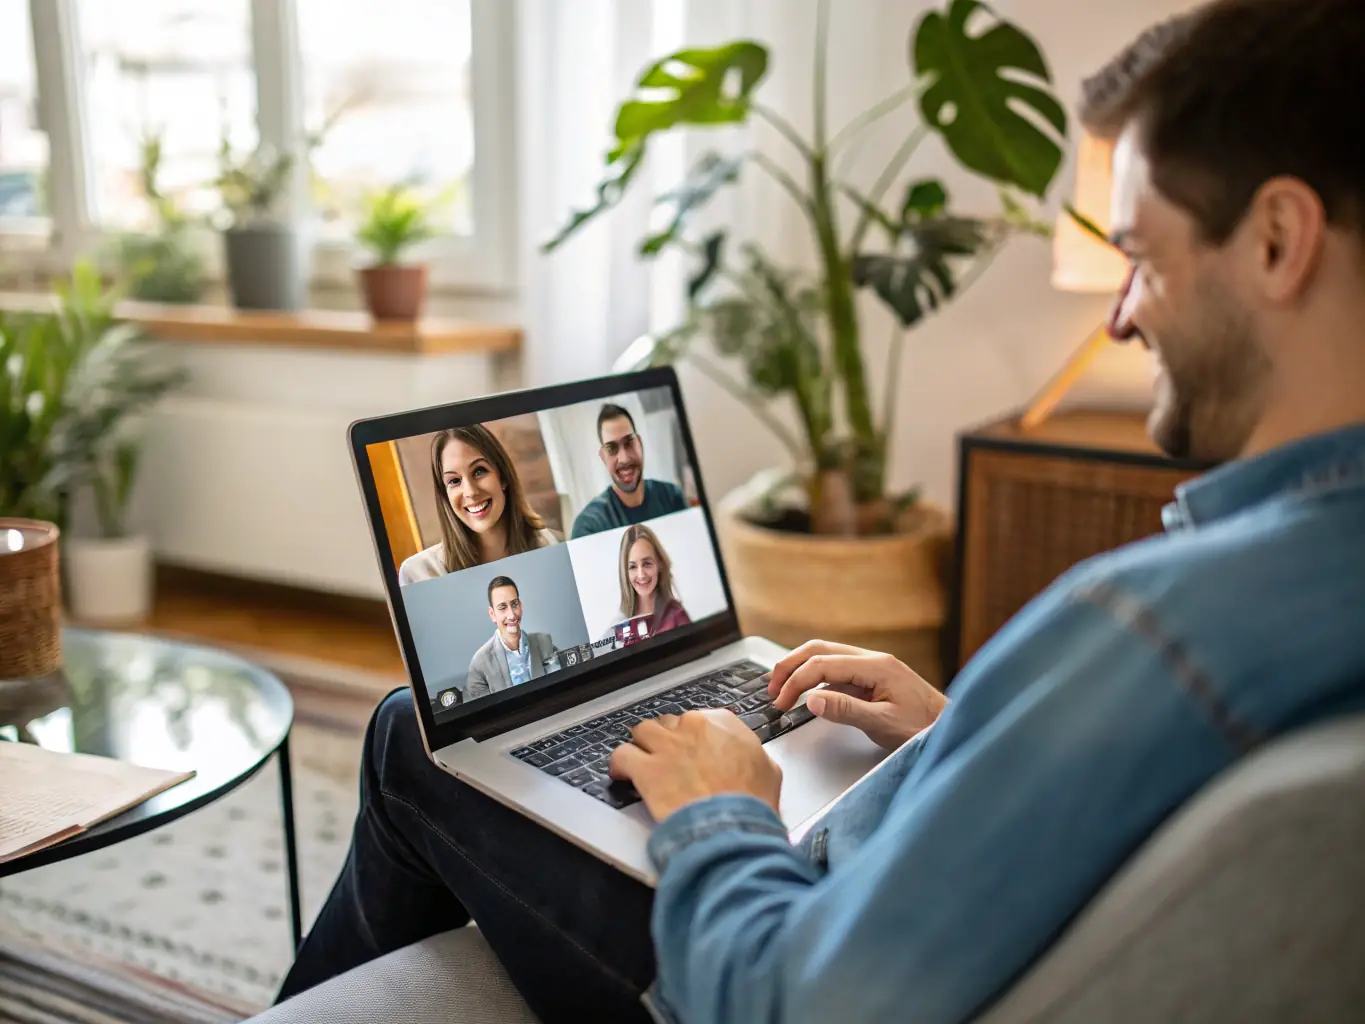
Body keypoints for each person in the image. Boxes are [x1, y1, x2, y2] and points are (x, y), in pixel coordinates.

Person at [277, 2, 1365, 1022]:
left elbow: (792, 998)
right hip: (880, 887)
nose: (1123, 313)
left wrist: (719, 807)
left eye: (1139, 255)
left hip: (747, 957)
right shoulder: (1306, 593)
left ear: (1276, 239)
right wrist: (957, 738)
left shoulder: (1159, 630)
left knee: (409, 740)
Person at [398, 425, 559, 585]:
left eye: (479, 471)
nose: (470, 492)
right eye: (454, 481)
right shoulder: (420, 574)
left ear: (502, 477)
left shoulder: (554, 546)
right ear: (445, 496)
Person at [570, 404, 686, 539]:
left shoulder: (672, 497)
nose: (624, 459)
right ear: (603, 458)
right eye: (611, 448)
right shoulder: (590, 525)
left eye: (629, 443)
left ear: (640, 444)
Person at [466, 577, 558, 700]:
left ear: (520, 606)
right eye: (502, 607)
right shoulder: (479, 664)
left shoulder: (545, 643)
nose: (512, 615)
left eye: (514, 604)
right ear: (492, 614)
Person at [613, 523, 691, 640]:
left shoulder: (678, 617)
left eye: (647, 564)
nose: (641, 575)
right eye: (633, 567)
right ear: (625, 572)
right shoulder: (618, 627)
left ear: (659, 564)